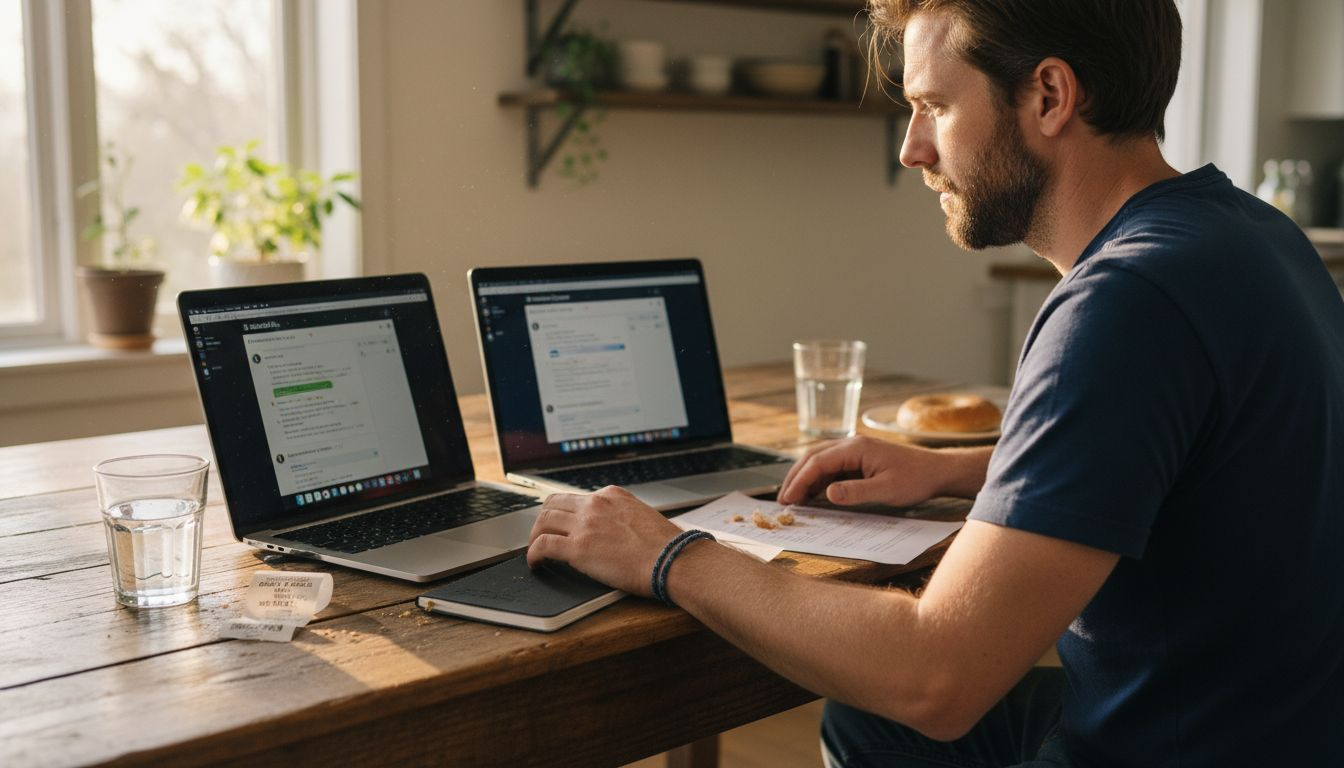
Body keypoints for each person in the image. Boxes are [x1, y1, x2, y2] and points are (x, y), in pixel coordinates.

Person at [526, 0, 1344, 764]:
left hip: (1167, 744)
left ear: (1050, 95)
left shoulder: (1123, 303)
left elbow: (937, 678)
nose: (913, 147)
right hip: (1277, 728)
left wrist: (670, 555)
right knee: (866, 726)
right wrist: (964, 470)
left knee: (899, 703)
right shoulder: (1250, 235)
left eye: (937, 107)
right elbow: (1211, 457)